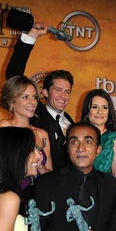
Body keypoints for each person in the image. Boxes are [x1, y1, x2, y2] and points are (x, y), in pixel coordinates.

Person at [5, 23, 74, 171]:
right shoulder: (35, 114)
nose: (63, 96)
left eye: (67, 92)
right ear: (45, 92)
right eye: (58, 90)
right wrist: (32, 36)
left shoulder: (71, 122)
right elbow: (14, 76)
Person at [0, 75, 52, 175]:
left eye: (34, 97)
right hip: (13, 189)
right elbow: (1, 168)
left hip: (38, 189)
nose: (32, 102)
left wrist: (40, 167)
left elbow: (49, 174)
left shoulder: (42, 134)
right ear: (11, 102)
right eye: (25, 97)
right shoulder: (5, 127)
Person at [81, 89, 116, 185]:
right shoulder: (77, 136)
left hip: (105, 195)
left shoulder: (114, 139)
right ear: (87, 110)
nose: (100, 112)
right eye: (94, 107)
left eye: (105, 107)